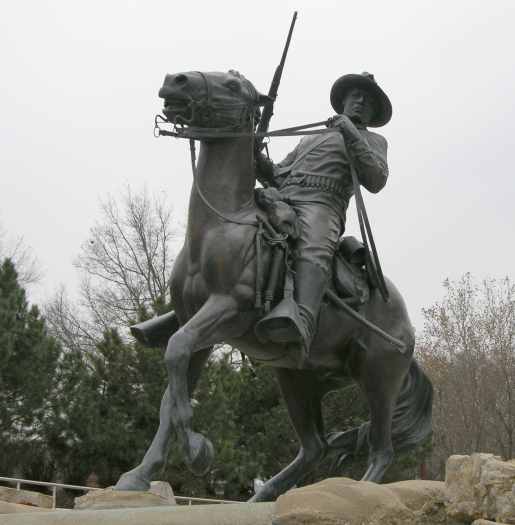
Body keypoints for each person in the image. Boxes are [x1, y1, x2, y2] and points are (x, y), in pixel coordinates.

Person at [255, 72, 392, 355]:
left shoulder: (374, 140)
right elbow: (278, 175)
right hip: (283, 199)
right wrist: (255, 155)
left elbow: (376, 180)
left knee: (313, 248)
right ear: (343, 100)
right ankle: (193, 301)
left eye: (367, 102)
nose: (360, 102)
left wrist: (351, 133)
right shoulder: (313, 137)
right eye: (356, 96)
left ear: (373, 113)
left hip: (322, 206)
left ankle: (302, 320)